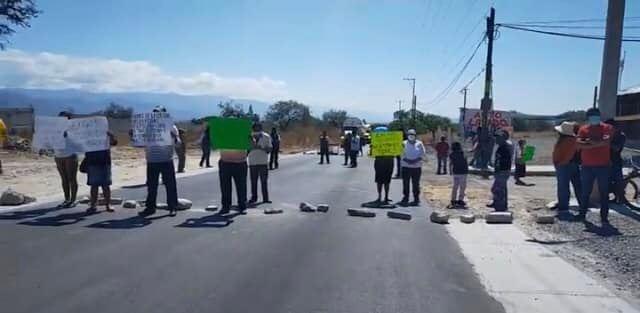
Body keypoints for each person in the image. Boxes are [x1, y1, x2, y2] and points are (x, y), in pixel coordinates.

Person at [138, 106, 180, 217]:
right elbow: (141, 142)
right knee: (151, 186)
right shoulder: (147, 127)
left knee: (170, 185)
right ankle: (150, 207)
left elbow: (178, 143)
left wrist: (174, 137)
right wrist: (135, 136)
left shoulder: (172, 127)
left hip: (166, 159)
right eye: (155, 113)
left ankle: (172, 207)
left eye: (159, 113)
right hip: (152, 160)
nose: (157, 115)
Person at [576, 108, 612, 223]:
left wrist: (588, 142)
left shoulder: (607, 128)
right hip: (587, 166)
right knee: (585, 192)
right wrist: (597, 143)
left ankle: (604, 217)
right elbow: (578, 144)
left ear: (599, 116)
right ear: (588, 117)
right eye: (591, 116)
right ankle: (582, 215)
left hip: (603, 166)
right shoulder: (583, 129)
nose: (594, 118)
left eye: (595, 115)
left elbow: (606, 142)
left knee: (604, 192)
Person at [218, 125, 249, 215]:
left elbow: (252, 144)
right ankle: (226, 207)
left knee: (241, 186)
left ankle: (242, 206)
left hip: (240, 163)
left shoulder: (243, 134)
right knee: (225, 187)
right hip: (225, 163)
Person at [552, 121, 582, 212]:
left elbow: (569, 154)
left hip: (565, 165)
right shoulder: (571, 139)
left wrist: (562, 163)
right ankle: (583, 204)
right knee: (577, 185)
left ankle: (563, 206)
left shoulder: (568, 140)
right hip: (571, 165)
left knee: (563, 187)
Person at [85, 131, 118, 213]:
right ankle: (93, 205)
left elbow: (114, 143)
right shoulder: (87, 134)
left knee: (106, 185)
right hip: (92, 161)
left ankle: (108, 204)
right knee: (94, 185)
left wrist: (111, 136)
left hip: (104, 161)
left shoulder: (106, 133)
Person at [54, 111, 79, 208]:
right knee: (64, 179)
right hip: (58, 155)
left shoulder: (74, 128)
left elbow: (79, 140)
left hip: (70, 155)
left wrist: (68, 135)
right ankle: (66, 199)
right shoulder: (54, 128)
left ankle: (73, 199)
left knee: (72, 178)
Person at [248, 122, 272, 204]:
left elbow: (269, 149)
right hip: (252, 162)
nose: (257, 129)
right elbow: (245, 149)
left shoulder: (266, 136)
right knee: (253, 181)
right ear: (253, 128)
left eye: (258, 127)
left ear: (261, 128)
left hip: (263, 162)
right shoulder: (249, 136)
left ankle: (265, 198)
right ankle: (254, 198)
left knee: (264, 181)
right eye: (255, 127)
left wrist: (261, 147)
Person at [400, 129, 425, 206]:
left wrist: (415, 160)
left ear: (415, 135)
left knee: (416, 184)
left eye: (412, 134)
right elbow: (401, 153)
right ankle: (406, 197)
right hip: (406, 167)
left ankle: (416, 198)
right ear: (407, 135)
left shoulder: (419, 143)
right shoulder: (403, 143)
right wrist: (408, 161)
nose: (411, 136)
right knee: (406, 183)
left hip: (416, 167)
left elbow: (423, 153)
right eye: (409, 134)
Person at [489, 129, 513, 212]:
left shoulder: (505, 147)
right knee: (500, 188)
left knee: (497, 189)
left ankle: (500, 206)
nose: (496, 140)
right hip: (501, 170)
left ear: (503, 138)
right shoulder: (502, 147)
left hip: (503, 171)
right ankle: (499, 204)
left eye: (498, 138)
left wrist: (498, 170)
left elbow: (503, 161)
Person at [606, 119, 626, 204]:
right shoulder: (607, 134)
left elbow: (617, 148)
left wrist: (607, 142)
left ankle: (621, 198)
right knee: (607, 181)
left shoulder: (621, 135)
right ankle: (613, 198)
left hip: (616, 161)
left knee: (618, 181)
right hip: (606, 161)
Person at [372, 128, 394, 204]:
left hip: (387, 163)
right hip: (381, 163)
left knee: (385, 181)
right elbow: (372, 154)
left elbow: (396, 152)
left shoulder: (392, 142)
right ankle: (381, 197)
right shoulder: (375, 143)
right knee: (380, 181)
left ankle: (385, 197)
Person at [449, 141, 468, 207]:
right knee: (462, 187)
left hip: (456, 172)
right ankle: (460, 200)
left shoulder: (452, 154)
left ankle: (453, 200)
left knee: (455, 187)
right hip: (463, 172)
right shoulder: (463, 153)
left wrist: (450, 171)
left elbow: (451, 163)